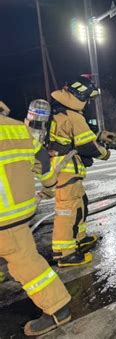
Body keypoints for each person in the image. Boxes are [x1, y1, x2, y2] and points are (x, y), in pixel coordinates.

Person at [0, 103, 72, 336]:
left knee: (25, 263)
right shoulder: (19, 129)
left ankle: (57, 308)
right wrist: (50, 187)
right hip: (18, 209)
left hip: (5, 215)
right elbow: (44, 162)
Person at [48, 75, 113, 267]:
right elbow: (87, 146)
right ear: (81, 95)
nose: (87, 103)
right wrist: (105, 153)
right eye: (87, 98)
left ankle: (80, 238)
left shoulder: (62, 111)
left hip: (67, 170)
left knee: (80, 203)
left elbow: (77, 137)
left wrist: (100, 136)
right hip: (65, 170)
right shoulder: (73, 115)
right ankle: (64, 252)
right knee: (68, 210)